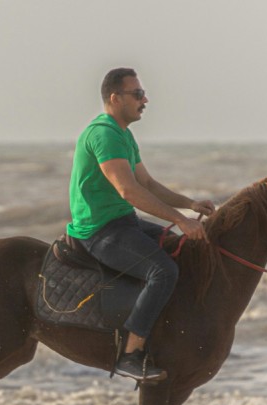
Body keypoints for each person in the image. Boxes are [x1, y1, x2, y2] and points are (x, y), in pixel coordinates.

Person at [66, 67, 216, 382]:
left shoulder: (124, 133)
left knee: (180, 249)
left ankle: (163, 330)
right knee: (163, 271)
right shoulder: (104, 134)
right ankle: (130, 354)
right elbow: (129, 190)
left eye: (143, 93)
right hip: (98, 231)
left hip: (123, 222)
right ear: (114, 97)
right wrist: (179, 220)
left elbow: (146, 181)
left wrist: (188, 204)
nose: (145, 100)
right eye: (137, 94)